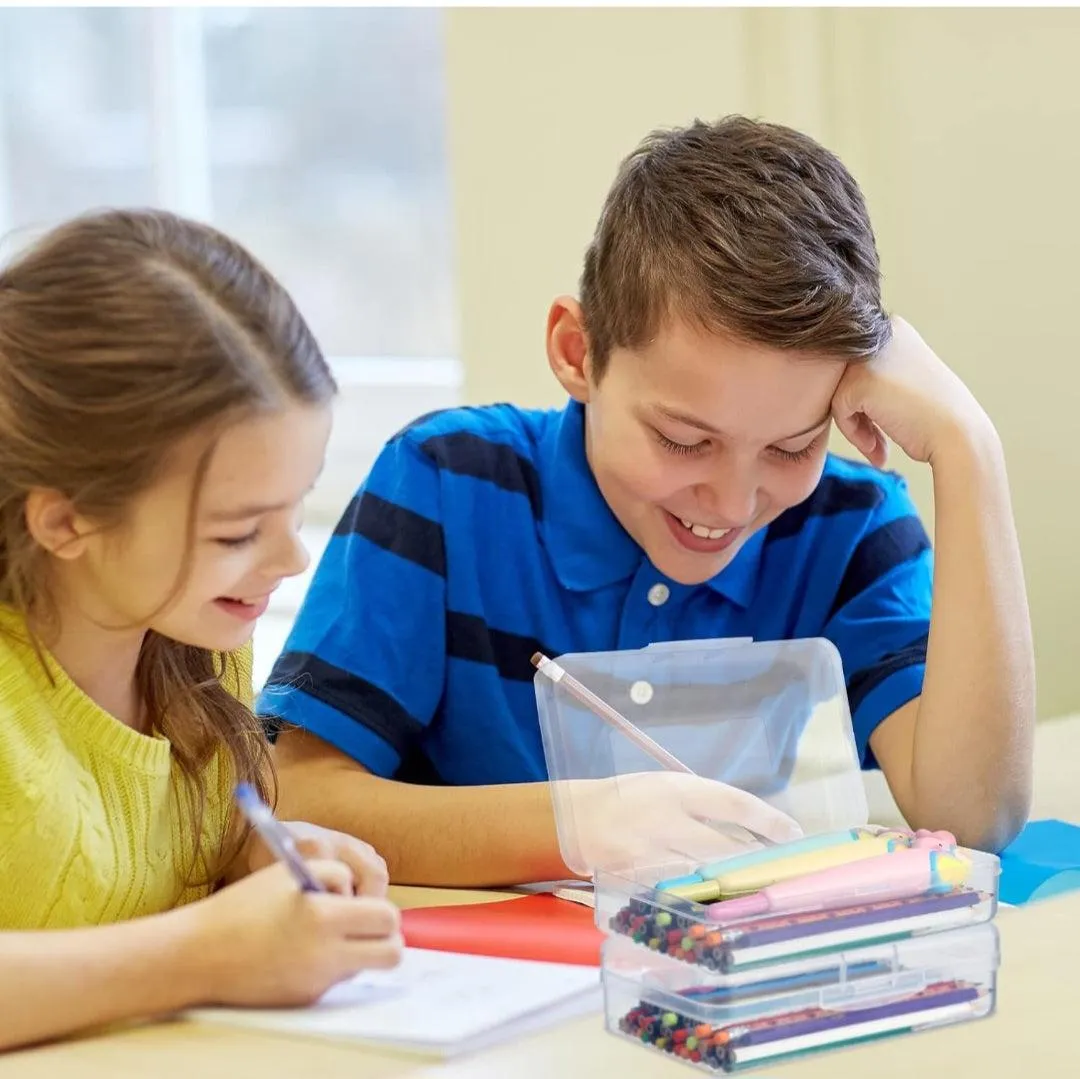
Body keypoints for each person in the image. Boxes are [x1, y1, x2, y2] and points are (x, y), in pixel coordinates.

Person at [262, 116, 1035, 886]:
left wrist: (969, 448)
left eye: (791, 446)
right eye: (682, 440)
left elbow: (974, 817)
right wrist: (576, 826)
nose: (732, 501)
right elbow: (293, 794)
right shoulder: (445, 482)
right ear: (578, 352)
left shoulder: (852, 527)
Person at [0, 208, 402, 1053]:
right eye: (236, 532)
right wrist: (206, 954)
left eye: (296, 506)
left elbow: (173, 850)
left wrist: (262, 858)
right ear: (67, 522)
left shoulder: (197, 635)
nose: (291, 557)